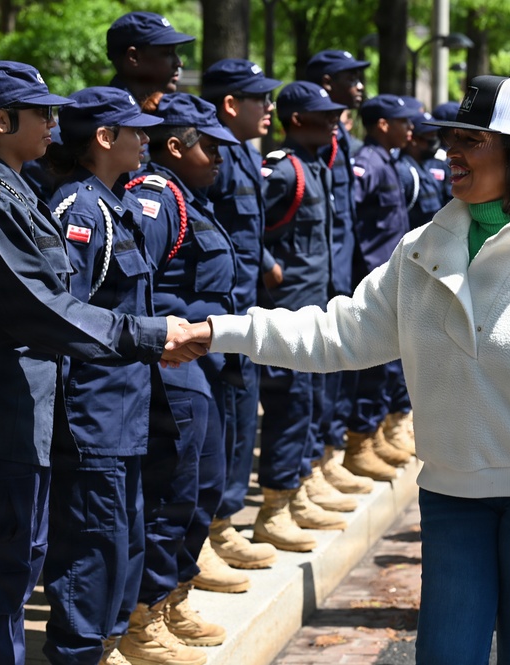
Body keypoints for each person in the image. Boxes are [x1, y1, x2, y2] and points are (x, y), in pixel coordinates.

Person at [176, 74, 510, 664]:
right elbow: (337, 333)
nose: (450, 152)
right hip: (454, 492)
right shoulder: (420, 250)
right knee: (444, 655)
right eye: (450, 137)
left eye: (471, 139)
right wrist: (218, 332)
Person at [0, 61, 203, 665]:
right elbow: (42, 309)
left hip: (19, 419)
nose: (54, 122)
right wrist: (147, 335)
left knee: (16, 574)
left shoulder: (18, 191)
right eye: (41, 112)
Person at [40, 86, 165, 665]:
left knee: (123, 538)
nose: (146, 140)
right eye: (134, 131)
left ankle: (108, 643)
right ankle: (78, 652)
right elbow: (67, 316)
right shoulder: (80, 209)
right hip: (93, 412)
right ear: (103, 139)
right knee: (92, 544)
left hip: (124, 407)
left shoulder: (116, 204)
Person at [118, 92, 239, 665]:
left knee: (201, 488)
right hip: (170, 366)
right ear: (176, 146)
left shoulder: (188, 196)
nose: (218, 158)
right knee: (171, 494)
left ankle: (171, 599)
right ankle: (143, 620)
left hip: (201, 364)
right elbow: (132, 286)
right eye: (210, 147)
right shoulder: (155, 197)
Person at [252, 81, 352, 553]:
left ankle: (300, 489)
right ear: (297, 120)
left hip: (317, 308)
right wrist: (271, 269)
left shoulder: (318, 167)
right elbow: (248, 229)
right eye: (324, 114)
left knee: (311, 401)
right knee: (289, 407)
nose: (335, 120)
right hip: (288, 310)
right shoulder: (284, 170)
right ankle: (274, 509)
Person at [200, 58, 283, 583]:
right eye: (260, 99)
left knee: (238, 418)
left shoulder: (241, 154)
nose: (270, 108)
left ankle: (222, 521)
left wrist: (266, 260)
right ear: (231, 105)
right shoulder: (216, 158)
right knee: (224, 420)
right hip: (219, 312)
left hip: (244, 307)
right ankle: (211, 526)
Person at [304, 49, 374, 495]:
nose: (360, 85)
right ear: (327, 81)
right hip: (315, 273)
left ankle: (328, 455)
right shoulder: (312, 142)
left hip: (338, 269)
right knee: (309, 376)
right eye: (352, 77)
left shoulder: (339, 136)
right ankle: (308, 468)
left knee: (336, 368)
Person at [346, 94, 422, 479]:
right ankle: (360, 439)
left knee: (389, 362)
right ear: (381, 125)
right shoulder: (369, 163)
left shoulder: (388, 161)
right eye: (402, 121)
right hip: (372, 278)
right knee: (372, 364)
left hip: (391, 277)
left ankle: (373, 433)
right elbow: (352, 220)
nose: (410, 128)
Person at [106, 11, 194, 106]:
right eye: (167, 53)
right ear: (133, 57)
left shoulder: (160, 109)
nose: (179, 63)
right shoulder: (111, 115)